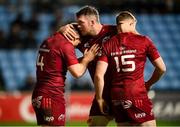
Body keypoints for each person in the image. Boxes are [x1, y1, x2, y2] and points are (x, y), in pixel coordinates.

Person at [94, 11, 166, 126]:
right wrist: (148, 84)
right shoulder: (144, 41)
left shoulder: (107, 44)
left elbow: (98, 75)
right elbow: (162, 68)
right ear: (132, 24)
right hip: (136, 93)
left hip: (117, 96)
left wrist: (99, 99)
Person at [59, 6, 117, 126]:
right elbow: (59, 37)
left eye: (81, 23)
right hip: (101, 93)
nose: (78, 26)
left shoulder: (114, 32)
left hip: (121, 89)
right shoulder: (82, 36)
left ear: (92, 22)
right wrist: (62, 29)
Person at [31, 26, 99, 126]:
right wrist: (87, 59)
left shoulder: (49, 40)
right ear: (73, 35)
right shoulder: (66, 45)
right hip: (52, 95)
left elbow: (60, 65)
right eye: (80, 39)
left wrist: (85, 59)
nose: (79, 43)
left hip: (40, 93)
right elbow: (77, 73)